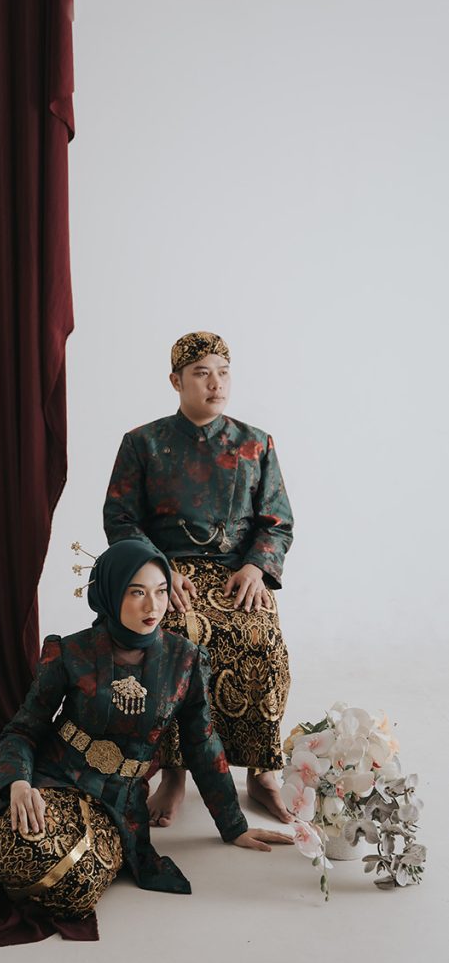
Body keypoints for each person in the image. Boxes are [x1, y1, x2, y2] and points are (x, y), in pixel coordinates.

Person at [0, 539, 292, 918]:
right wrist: (18, 783)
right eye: (136, 592)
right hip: (57, 777)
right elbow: (22, 730)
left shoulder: (184, 660)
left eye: (160, 591)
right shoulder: (70, 652)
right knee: (34, 845)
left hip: (119, 800)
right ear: (110, 594)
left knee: (77, 887)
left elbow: (202, 745)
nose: (152, 605)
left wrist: (233, 827)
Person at [103, 332, 294, 826]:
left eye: (223, 373)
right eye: (202, 374)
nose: (216, 384)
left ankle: (262, 772)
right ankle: (174, 774)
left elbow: (277, 521)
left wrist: (256, 566)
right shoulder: (143, 443)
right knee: (174, 639)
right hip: (168, 573)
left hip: (237, 574)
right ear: (176, 381)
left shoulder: (256, 443)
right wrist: (158, 568)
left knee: (260, 637)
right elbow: (120, 517)